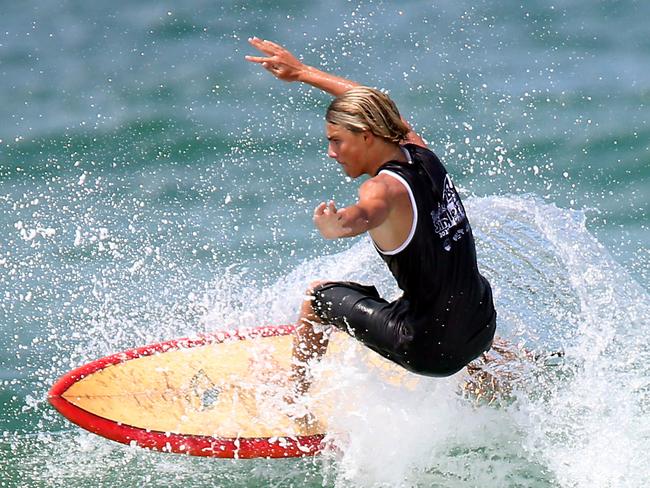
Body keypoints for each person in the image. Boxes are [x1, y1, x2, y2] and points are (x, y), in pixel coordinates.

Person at [245, 37, 497, 398]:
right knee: (455, 289)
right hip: (481, 326)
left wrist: (339, 225)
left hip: (428, 349)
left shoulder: (381, 189)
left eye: (336, 141)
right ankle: (491, 377)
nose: (331, 153)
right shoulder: (420, 150)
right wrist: (302, 73)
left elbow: (365, 214)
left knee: (318, 298)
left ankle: (293, 401)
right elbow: (372, 100)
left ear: (365, 137)